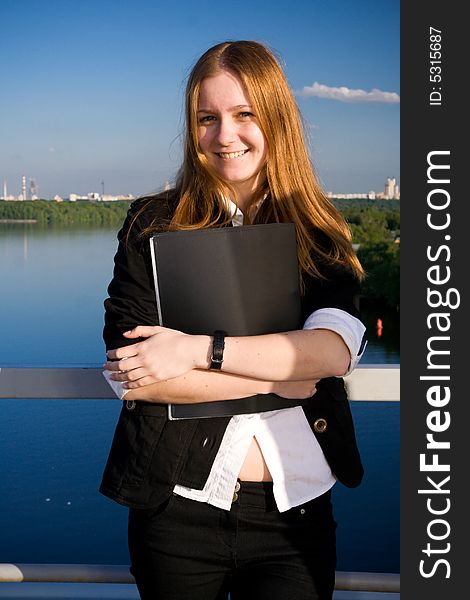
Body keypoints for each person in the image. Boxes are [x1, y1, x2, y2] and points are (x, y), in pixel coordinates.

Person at [101, 40, 367, 600]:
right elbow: (132, 372)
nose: (225, 135)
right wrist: (283, 379)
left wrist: (196, 351)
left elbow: (330, 353)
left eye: (245, 114)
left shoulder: (318, 231)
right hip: (175, 506)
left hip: (295, 512)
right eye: (207, 118)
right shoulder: (153, 223)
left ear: (276, 120)